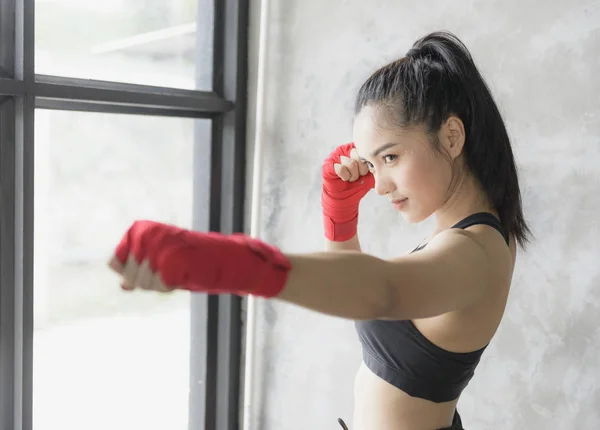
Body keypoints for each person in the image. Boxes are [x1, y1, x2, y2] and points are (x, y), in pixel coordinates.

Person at [108, 31, 530, 430]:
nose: (379, 185)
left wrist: (223, 262)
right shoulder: (465, 232)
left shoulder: (473, 252)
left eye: (391, 157)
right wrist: (340, 214)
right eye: (371, 162)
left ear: (453, 136)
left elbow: (381, 291)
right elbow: (359, 293)